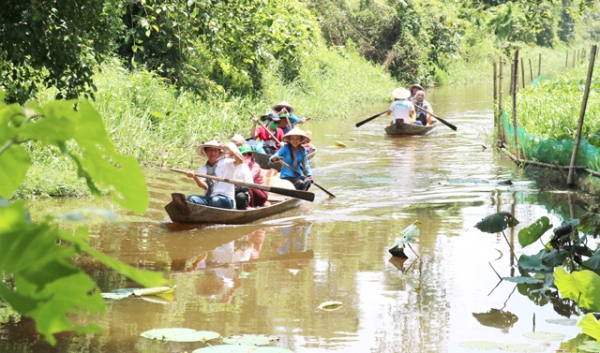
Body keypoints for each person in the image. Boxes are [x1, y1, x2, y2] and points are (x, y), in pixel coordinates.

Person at [185, 140, 242, 209]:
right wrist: (195, 177)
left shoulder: (227, 163)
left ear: (219, 152)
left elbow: (240, 161)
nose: (213, 152)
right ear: (205, 152)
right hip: (210, 199)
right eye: (210, 150)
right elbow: (205, 186)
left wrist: (230, 151)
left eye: (215, 150)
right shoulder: (202, 168)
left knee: (216, 200)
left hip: (226, 200)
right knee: (191, 198)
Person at [238, 144, 269, 208]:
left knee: (248, 186)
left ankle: (249, 207)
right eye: (244, 154)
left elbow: (248, 180)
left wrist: (245, 165)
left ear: (252, 155)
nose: (246, 156)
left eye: (249, 154)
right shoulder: (238, 166)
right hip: (246, 191)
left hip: (261, 194)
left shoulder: (255, 166)